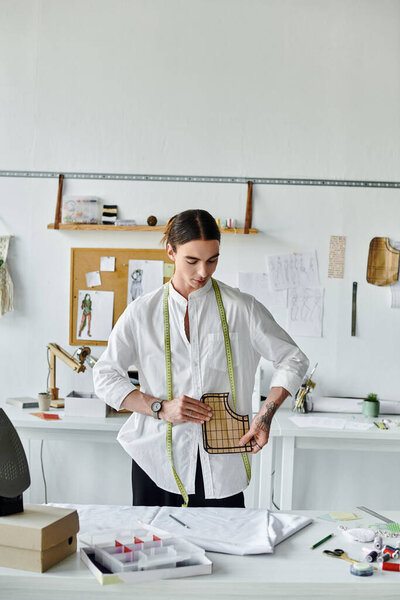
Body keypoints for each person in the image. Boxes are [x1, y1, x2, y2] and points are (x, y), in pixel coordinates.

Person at [93, 209, 309, 507]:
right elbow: (104, 376)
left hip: (221, 463)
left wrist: (265, 414)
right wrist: (160, 407)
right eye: (192, 261)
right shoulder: (142, 312)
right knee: (156, 550)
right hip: (156, 461)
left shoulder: (241, 308)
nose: (203, 272)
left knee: (225, 550)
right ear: (171, 252)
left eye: (212, 260)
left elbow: (293, 358)